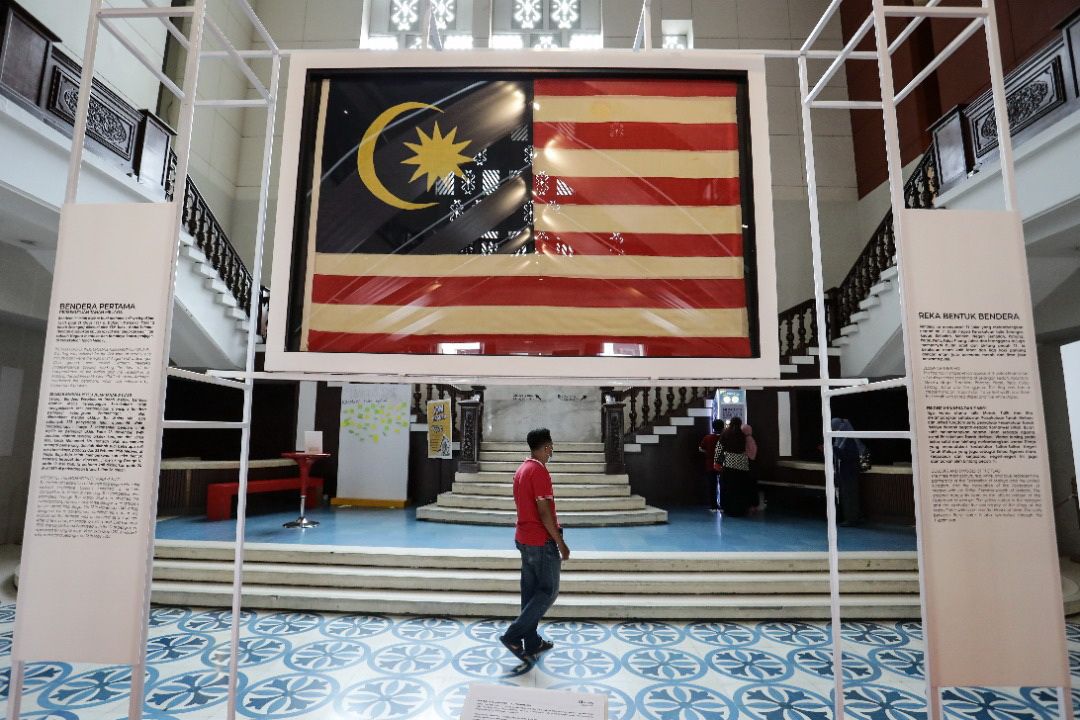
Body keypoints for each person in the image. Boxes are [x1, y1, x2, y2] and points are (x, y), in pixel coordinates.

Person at [500, 428, 570, 662]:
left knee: (530, 594)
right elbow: (544, 513)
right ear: (547, 446)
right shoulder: (539, 471)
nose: (551, 451)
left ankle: (531, 642)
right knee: (549, 591)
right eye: (551, 447)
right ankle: (512, 635)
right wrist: (561, 543)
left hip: (523, 538)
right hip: (541, 541)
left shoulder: (522, 469)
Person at [714, 416, 754, 516]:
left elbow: (719, 449)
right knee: (740, 488)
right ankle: (740, 509)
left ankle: (728, 509)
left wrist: (717, 461)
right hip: (743, 464)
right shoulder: (742, 435)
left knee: (728, 488)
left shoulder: (725, 434)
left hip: (729, 464)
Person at [832, 417, 866, 526]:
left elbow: (849, 456)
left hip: (849, 472)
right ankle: (850, 517)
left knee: (850, 496)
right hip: (845, 472)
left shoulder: (849, 439)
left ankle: (852, 519)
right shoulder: (842, 438)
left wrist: (834, 449)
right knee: (847, 495)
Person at [699, 418, 724, 511]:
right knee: (723, 485)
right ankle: (722, 505)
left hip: (710, 464)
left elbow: (700, 448)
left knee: (712, 486)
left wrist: (708, 452)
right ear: (722, 427)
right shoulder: (724, 437)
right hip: (723, 465)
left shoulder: (708, 437)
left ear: (713, 427)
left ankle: (713, 506)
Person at [742, 422, 761, 512]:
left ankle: (750, 505)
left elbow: (746, 453)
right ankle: (755, 505)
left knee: (748, 485)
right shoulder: (752, 439)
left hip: (747, 464)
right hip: (753, 465)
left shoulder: (746, 440)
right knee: (753, 485)